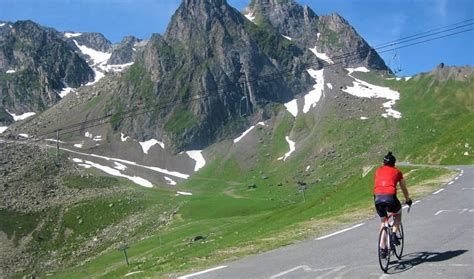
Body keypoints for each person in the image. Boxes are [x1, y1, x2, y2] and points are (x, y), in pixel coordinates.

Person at [374, 151, 412, 258]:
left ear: (384, 162)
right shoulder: (397, 172)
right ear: (394, 163)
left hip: (377, 197)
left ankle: (382, 249)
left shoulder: (377, 171)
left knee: (383, 221)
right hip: (390, 197)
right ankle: (394, 234)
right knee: (398, 214)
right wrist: (408, 200)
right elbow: (404, 188)